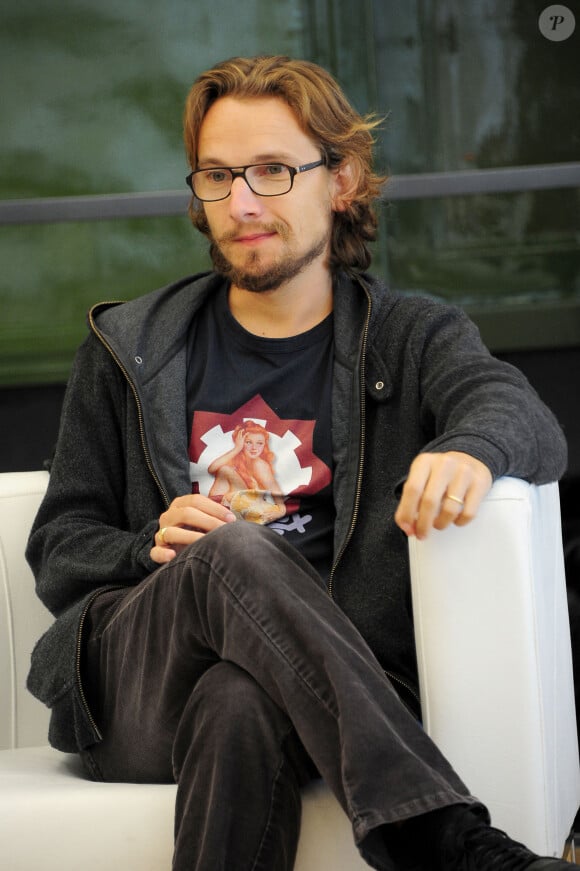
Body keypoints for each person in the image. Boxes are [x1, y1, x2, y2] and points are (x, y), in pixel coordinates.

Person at [26, 55, 575, 871]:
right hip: (136, 687)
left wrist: (469, 446)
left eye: (273, 170)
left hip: (310, 696)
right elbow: (59, 542)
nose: (241, 203)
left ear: (342, 178)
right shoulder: (127, 348)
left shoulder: (412, 338)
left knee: (237, 700)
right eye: (217, 175)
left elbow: (520, 414)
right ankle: (446, 843)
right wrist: (146, 545)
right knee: (231, 551)